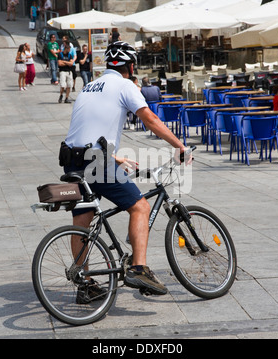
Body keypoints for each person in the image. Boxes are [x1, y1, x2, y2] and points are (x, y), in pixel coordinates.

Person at [61, 41, 191, 301]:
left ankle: (85, 284)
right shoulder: (125, 85)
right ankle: (139, 268)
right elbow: (150, 119)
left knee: (82, 220)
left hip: (72, 158)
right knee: (140, 207)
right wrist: (180, 146)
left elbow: (87, 128)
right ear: (131, 66)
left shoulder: (89, 86)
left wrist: (115, 156)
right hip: (96, 161)